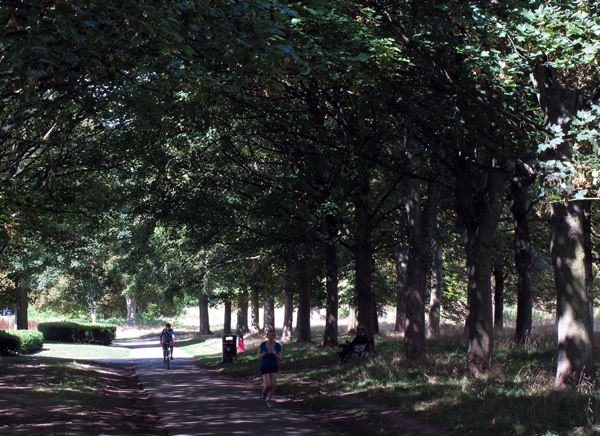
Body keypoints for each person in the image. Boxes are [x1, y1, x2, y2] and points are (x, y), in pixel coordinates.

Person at [258, 329, 283, 408]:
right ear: (267, 336)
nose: (271, 337)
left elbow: (281, 358)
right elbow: (258, 353)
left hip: (274, 366)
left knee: (272, 385)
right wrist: (262, 355)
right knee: (268, 384)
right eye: (269, 336)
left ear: (274, 336)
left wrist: (275, 354)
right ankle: (264, 392)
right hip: (264, 365)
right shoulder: (263, 344)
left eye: (272, 336)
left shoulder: (277, 346)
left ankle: (269, 401)